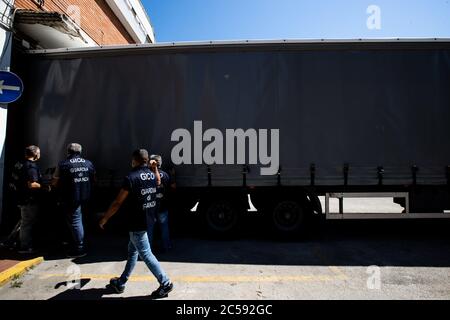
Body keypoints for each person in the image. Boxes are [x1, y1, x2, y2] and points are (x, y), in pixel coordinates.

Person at [99, 149, 173, 299]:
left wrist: (105, 218)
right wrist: (155, 167)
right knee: (132, 252)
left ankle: (165, 283)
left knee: (145, 253)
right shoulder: (152, 174)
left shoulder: (131, 177)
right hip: (147, 219)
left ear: (134, 160)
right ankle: (121, 282)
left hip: (136, 222)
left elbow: (118, 202)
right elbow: (159, 182)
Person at [52, 143, 95, 258]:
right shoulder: (88, 163)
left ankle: (79, 248)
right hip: (86, 196)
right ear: (80, 152)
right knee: (80, 221)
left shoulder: (63, 164)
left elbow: (55, 182)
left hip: (71, 198)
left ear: (68, 152)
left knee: (75, 222)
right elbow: (94, 179)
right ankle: (79, 242)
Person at [3, 146, 43, 253]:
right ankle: (25, 247)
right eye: (39, 153)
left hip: (19, 197)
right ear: (35, 154)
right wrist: (45, 186)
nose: (40, 154)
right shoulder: (31, 167)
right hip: (28, 199)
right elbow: (32, 184)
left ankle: (9, 241)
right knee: (27, 223)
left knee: (24, 220)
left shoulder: (19, 163)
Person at [147, 155, 175, 252]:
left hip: (151, 206)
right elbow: (173, 187)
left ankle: (148, 248)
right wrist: (173, 175)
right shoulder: (166, 175)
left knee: (149, 227)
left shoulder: (148, 175)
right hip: (163, 205)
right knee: (164, 227)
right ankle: (166, 246)